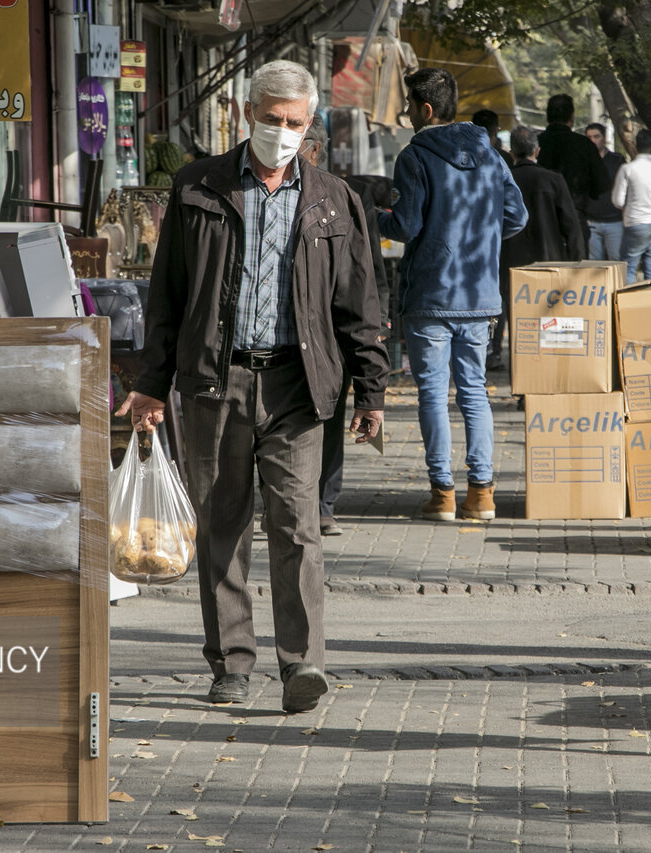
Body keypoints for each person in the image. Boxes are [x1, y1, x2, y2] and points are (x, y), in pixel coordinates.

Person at [116, 60, 389, 714]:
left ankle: (303, 664)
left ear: (310, 123)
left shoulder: (333, 198)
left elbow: (359, 300)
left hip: (298, 386)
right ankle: (231, 663)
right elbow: (167, 298)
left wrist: (370, 391)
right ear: (247, 113)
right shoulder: (197, 188)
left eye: (296, 123)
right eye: (273, 119)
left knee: (298, 525)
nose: (284, 132)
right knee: (223, 525)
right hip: (214, 380)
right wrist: (152, 385)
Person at [378, 67, 527, 523]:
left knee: (432, 394)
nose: (404, 111)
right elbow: (516, 217)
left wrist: (371, 216)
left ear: (425, 109)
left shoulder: (414, 156)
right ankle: (482, 494)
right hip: (479, 293)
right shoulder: (492, 155)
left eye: (407, 103)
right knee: (475, 393)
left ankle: (442, 493)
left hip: (430, 294)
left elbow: (406, 226)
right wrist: (479, 240)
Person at [299, 117, 392, 536]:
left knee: (331, 412)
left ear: (315, 151)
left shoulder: (343, 198)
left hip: (333, 328)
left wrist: (378, 317)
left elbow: (369, 267)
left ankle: (322, 502)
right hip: (284, 334)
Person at [491, 125, 585, 368]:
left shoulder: (501, 182)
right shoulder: (553, 180)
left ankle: (522, 379)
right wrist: (577, 265)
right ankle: (550, 374)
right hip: (549, 261)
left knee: (518, 324)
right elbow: (571, 226)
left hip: (510, 262)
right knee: (551, 320)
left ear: (512, 152)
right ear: (537, 150)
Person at [536, 94, 609, 241]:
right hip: (575, 215)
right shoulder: (584, 145)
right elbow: (602, 183)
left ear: (548, 116)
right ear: (571, 117)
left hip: (541, 218)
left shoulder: (536, 143)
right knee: (576, 262)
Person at [612, 128, 651, 283]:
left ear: (635, 146)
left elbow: (618, 201)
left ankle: (628, 303)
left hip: (635, 224)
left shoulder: (627, 169)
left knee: (629, 267)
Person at [583, 121, 626, 261]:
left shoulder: (617, 160)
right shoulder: (582, 162)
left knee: (617, 262)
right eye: (589, 137)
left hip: (615, 221)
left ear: (604, 137)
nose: (593, 141)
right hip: (591, 222)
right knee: (593, 265)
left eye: (596, 136)